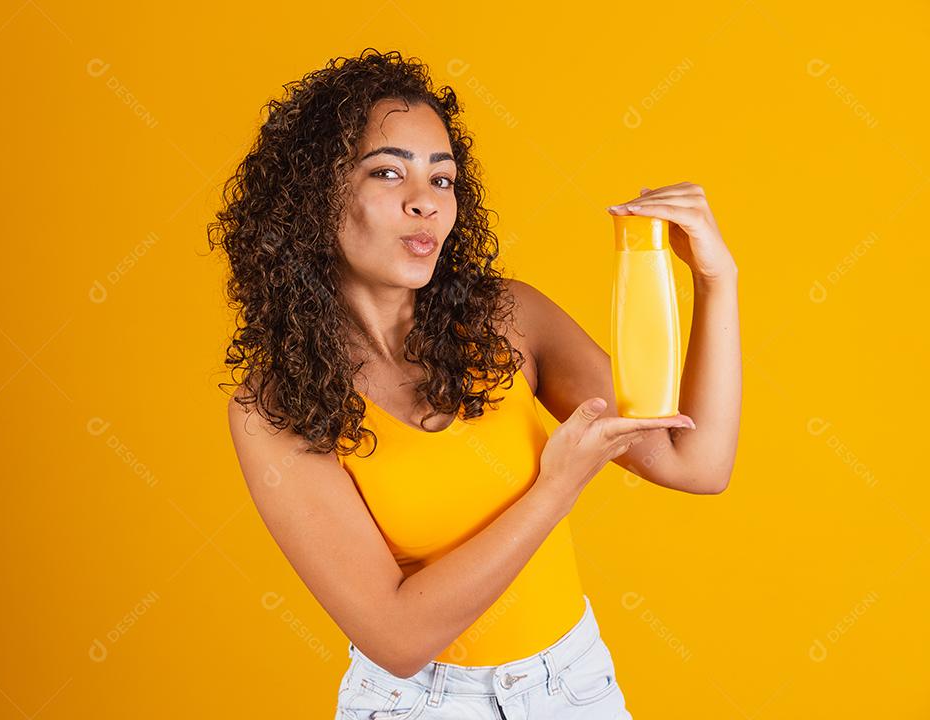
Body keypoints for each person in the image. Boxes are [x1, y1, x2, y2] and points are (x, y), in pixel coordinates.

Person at [212, 48, 741, 720]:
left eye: (443, 180)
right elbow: (397, 638)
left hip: (573, 690)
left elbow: (699, 463)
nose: (424, 204)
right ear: (313, 197)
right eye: (387, 173)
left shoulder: (510, 320)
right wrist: (558, 485)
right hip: (418, 704)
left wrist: (716, 282)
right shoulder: (276, 409)